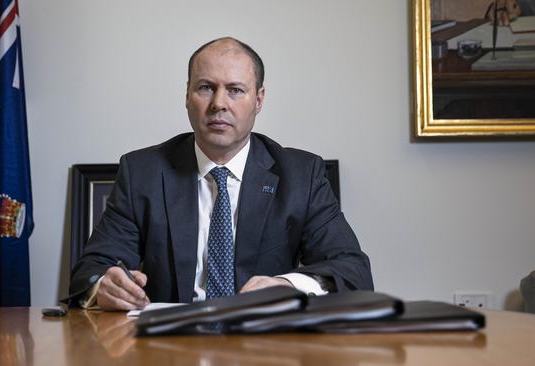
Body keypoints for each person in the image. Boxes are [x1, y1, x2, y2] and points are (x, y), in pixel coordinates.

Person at [68, 37, 373, 310]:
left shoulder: (301, 175)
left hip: (265, 346)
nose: (218, 104)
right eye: (206, 88)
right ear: (187, 95)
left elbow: (352, 270)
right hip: (167, 347)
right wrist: (103, 287)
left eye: (235, 90)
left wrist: (289, 285)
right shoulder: (143, 173)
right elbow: (91, 269)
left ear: (259, 99)